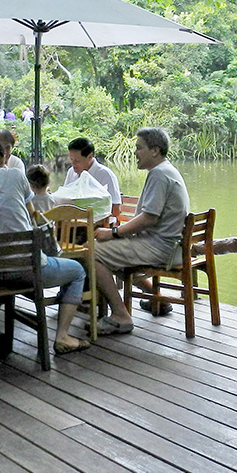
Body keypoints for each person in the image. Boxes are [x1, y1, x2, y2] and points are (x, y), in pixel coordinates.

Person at [0, 139, 90, 354]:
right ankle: (63, 337)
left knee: (2, 281)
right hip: (28, 270)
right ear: (3, 158)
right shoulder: (15, 175)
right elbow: (32, 212)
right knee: (77, 271)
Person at [92, 128, 190, 336]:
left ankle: (120, 315)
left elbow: (149, 218)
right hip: (167, 244)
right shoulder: (166, 170)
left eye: (139, 148)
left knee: (91, 252)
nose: (135, 152)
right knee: (111, 252)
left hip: (159, 247)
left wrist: (114, 233)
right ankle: (158, 298)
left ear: (155, 151)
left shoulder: (160, 174)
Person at [64, 137, 122, 222]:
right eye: (71, 159)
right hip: (74, 223)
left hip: (99, 225)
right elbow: (65, 199)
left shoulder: (105, 174)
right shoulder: (71, 172)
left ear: (90, 157)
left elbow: (116, 209)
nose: (73, 164)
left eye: (77, 160)